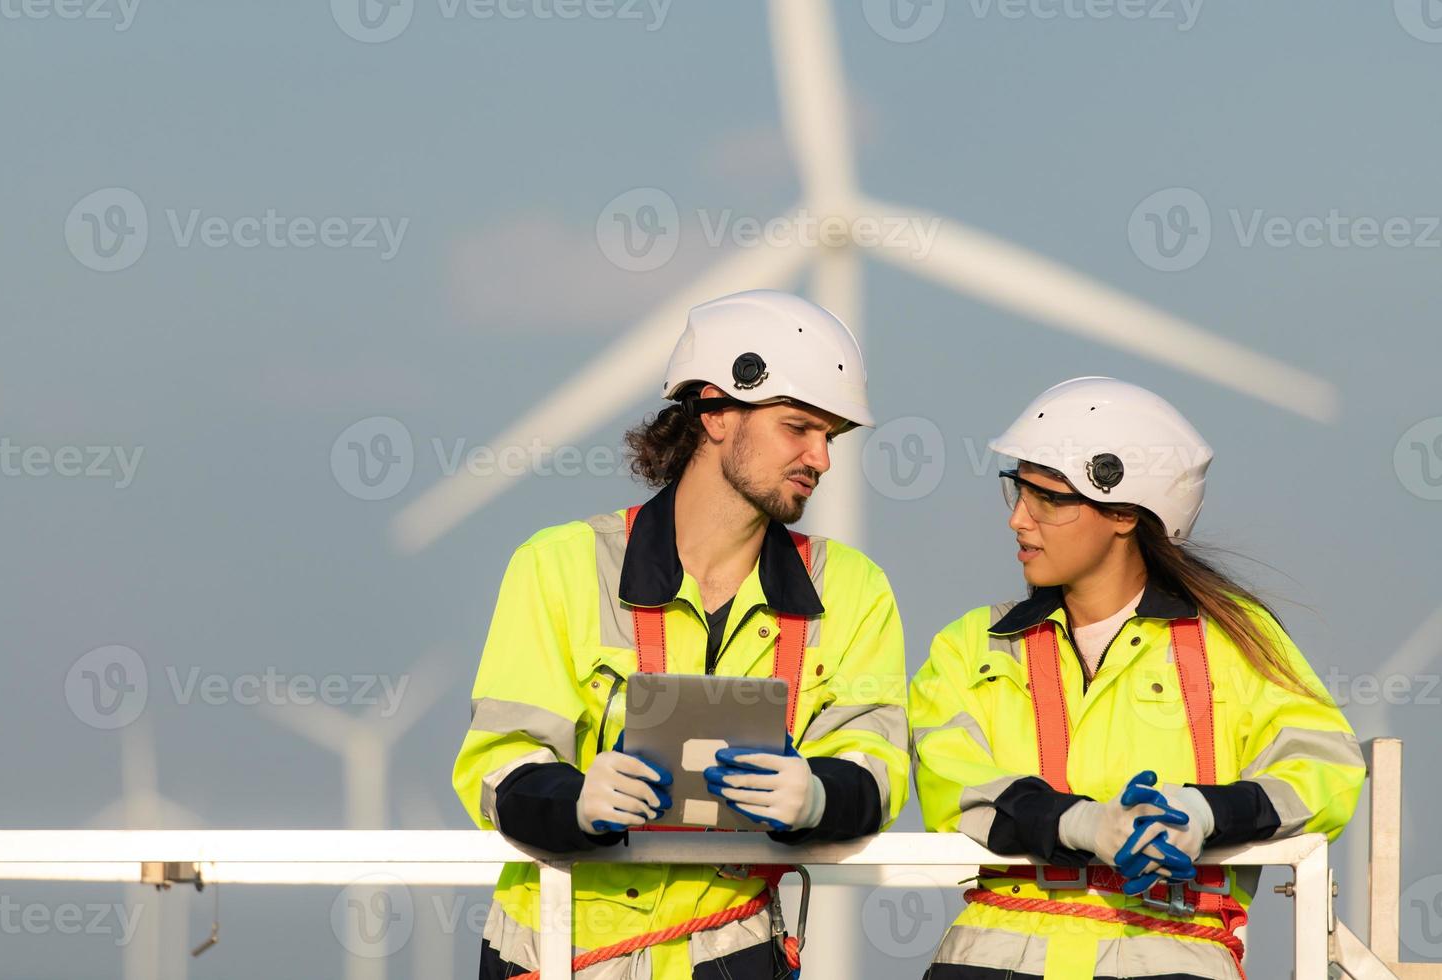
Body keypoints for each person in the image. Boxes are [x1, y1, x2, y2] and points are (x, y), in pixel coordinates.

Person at [454, 289, 909, 979]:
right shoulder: (559, 565)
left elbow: (876, 771)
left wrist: (816, 793)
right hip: (552, 951)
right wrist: (573, 800)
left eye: (831, 436)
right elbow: (499, 768)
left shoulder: (854, 589)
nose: (822, 459)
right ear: (717, 411)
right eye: (799, 427)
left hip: (730, 956)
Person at [911, 376, 1364, 980]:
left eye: (1048, 498)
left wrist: (1204, 812)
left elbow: (1325, 768)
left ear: (1124, 512)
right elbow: (950, 780)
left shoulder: (1233, 639)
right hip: (994, 960)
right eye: (1016, 491)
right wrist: (1085, 824)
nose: (1019, 519)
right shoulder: (973, 643)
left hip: (1171, 958)